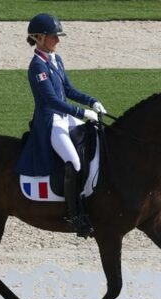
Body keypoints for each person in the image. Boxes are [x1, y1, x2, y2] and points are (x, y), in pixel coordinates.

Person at [15, 13, 107, 238]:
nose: (58, 40)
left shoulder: (56, 60)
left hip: (65, 118)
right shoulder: (37, 67)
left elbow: (68, 90)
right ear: (39, 37)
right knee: (73, 162)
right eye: (54, 36)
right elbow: (51, 101)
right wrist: (81, 112)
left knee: (95, 137)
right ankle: (76, 216)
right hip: (50, 123)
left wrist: (91, 101)